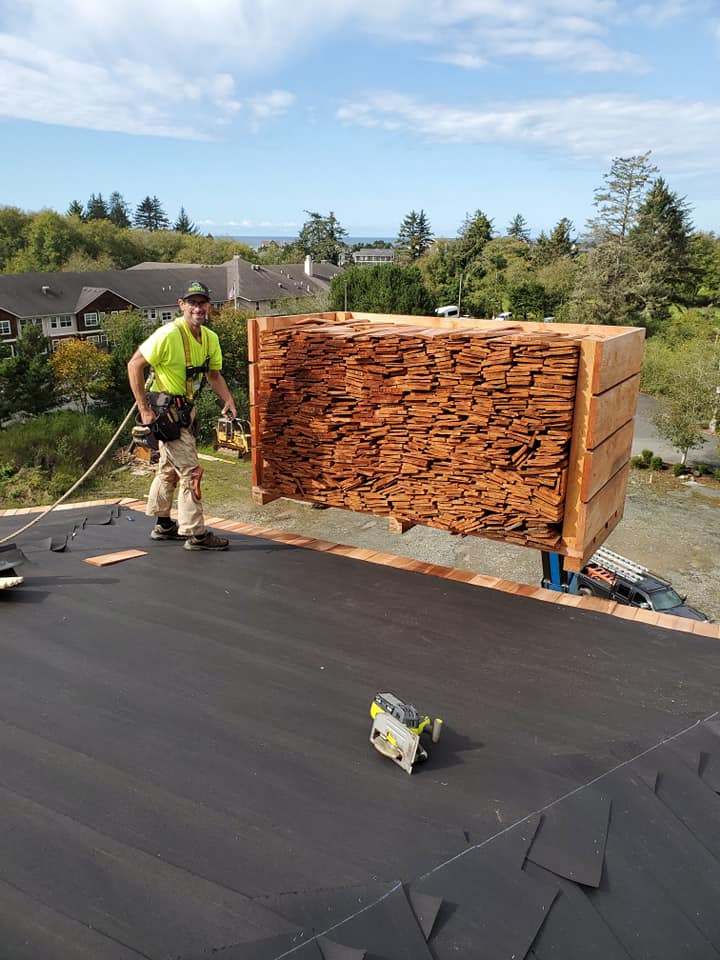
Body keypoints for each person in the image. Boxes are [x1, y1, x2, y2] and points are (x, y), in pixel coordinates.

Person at [127, 280, 237, 551]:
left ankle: (164, 525)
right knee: (191, 472)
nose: (197, 308)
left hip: (185, 414)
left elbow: (213, 375)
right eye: (192, 303)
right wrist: (144, 409)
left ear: (208, 306)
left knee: (168, 469)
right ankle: (197, 534)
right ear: (182, 305)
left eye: (202, 303)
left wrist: (228, 399)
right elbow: (134, 364)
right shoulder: (167, 335)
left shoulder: (210, 339)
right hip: (165, 414)